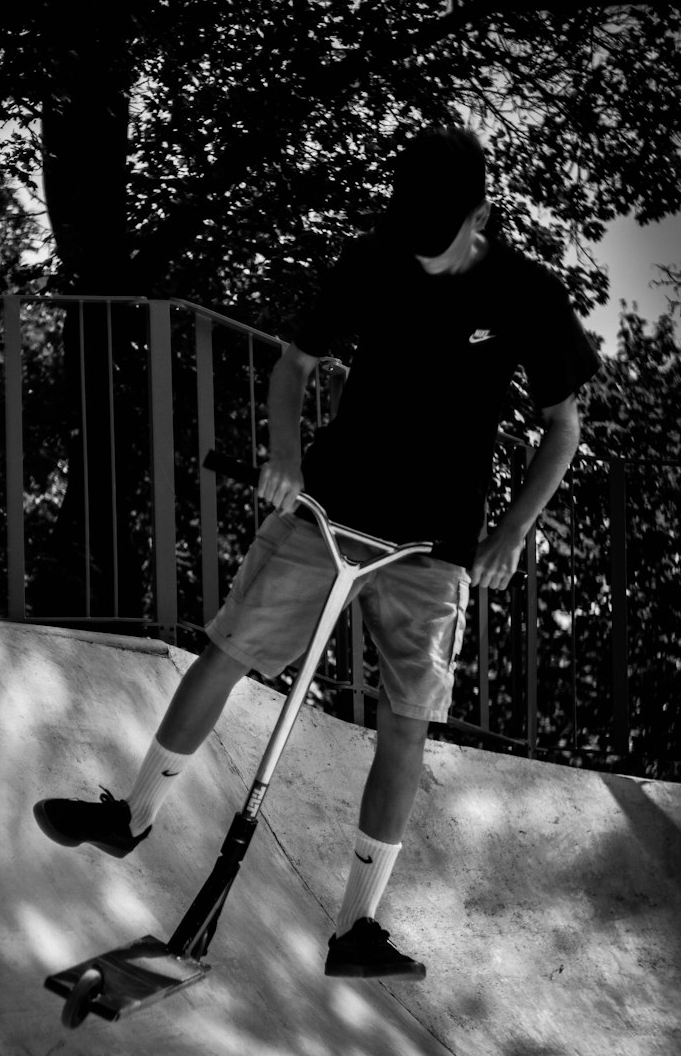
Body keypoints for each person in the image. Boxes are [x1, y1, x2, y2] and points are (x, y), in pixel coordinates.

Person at [35, 125, 599, 980]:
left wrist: (510, 535)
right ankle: (132, 815)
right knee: (226, 648)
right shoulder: (372, 260)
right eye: (414, 238)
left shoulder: (526, 293)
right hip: (327, 510)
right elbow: (296, 366)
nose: (426, 258)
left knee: (405, 723)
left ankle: (355, 931)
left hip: (433, 546)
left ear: (480, 215)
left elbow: (563, 428)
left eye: (441, 244)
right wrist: (285, 453)